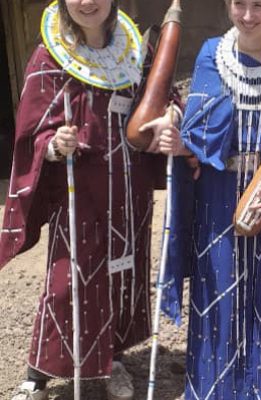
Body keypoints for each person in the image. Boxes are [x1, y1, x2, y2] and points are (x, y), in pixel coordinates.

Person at [0, 1, 180, 399]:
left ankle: (110, 359)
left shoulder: (137, 50)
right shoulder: (50, 56)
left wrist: (171, 118)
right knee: (69, 281)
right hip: (78, 188)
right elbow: (31, 130)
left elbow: (163, 98)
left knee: (121, 273)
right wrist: (53, 143)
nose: (87, 2)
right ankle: (39, 371)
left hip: (129, 189)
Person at [148, 0, 261, 398]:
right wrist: (180, 141)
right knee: (217, 288)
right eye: (240, 4)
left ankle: (259, 385)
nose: (248, 16)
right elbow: (199, 129)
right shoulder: (210, 56)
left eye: (259, 5)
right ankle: (210, 387)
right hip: (216, 196)